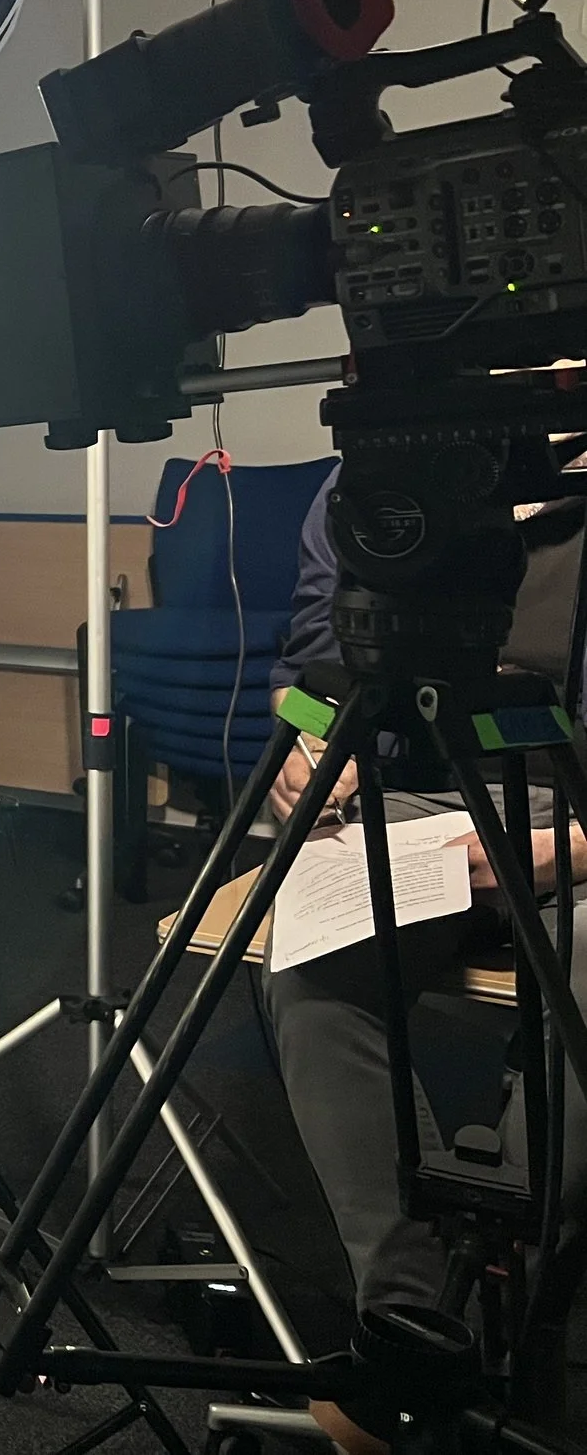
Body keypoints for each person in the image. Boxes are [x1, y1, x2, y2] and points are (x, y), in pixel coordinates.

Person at [265, 460, 587, 1436]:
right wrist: (314, 743)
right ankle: (409, 1313)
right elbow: (309, 664)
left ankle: (521, 1305)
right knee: (311, 954)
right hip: (426, 806)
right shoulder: (376, 476)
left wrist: (562, 850)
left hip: (577, 822)